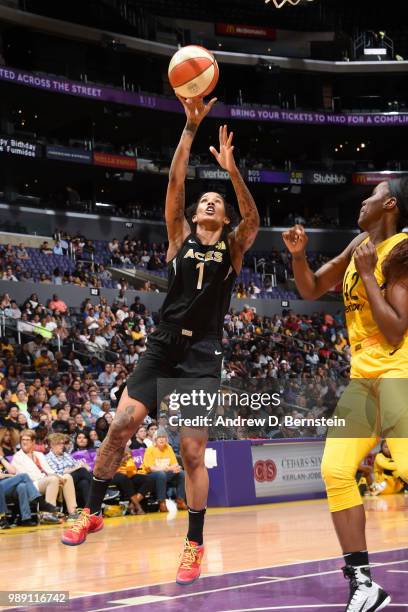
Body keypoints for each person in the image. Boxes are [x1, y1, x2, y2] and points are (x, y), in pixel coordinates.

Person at [62, 97, 260, 588]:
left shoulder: (232, 248)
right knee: (120, 426)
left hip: (201, 355)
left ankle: (193, 542)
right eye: (205, 200)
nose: (210, 202)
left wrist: (232, 171)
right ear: (194, 214)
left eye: (219, 202)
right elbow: (175, 182)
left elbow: (253, 219)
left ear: (224, 216)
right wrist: (190, 128)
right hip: (163, 344)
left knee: (192, 452)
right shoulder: (179, 238)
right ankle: (90, 512)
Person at [283, 178, 408, 611]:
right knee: (336, 469)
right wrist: (299, 257)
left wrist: (371, 275)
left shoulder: (404, 249)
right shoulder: (359, 243)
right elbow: (312, 287)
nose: (364, 199)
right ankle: (363, 583)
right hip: (363, 379)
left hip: (399, 371)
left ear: (389, 204)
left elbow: (394, 331)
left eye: (373, 195)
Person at [13, 430, 79, 521]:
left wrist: (58, 477)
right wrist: (49, 478)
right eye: (23, 440)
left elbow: (49, 470)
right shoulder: (17, 457)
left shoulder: (39, 455)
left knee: (67, 477)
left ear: (33, 442)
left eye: (27, 439)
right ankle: (48, 514)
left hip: (45, 480)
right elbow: (24, 476)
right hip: (31, 484)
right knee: (52, 479)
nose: (24, 442)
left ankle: (72, 512)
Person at [142, 429, 186, 513]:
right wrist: (168, 468)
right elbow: (151, 468)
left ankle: (180, 500)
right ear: (155, 439)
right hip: (151, 475)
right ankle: (162, 502)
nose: (162, 439)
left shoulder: (169, 448)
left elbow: (175, 464)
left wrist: (173, 468)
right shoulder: (150, 449)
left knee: (181, 473)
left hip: (165, 474)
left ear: (166, 439)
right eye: (159, 437)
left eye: (163, 437)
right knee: (161, 474)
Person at [0, 449, 40, 527]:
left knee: (22, 486)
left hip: (9, 487)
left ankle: (26, 519)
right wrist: (9, 476)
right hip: (1, 486)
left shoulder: (3, 460)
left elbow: (13, 471)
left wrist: (1, 458)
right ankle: (37, 499)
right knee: (24, 476)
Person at [112, 448, 154, 515]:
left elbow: (133, 467)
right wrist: (122, 461)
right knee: (124, 478)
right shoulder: (110, 452)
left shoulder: (127, 450)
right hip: (117, 474)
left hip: (130, 474)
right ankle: (138, 506)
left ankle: (132, 505)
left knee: (149, 479)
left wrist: (128, 457)